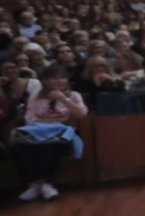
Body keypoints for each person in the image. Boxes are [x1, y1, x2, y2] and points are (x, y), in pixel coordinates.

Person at [11, 64, 88, 202]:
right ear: (45, 80)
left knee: (49, 145)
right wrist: (48, 123)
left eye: (63, 78)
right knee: (18, 145)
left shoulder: (74, 95)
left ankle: (45, 183)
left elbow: (81, 114)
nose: (60, 81)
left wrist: (63, 99)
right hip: (37, 131)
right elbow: (29, 118)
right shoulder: (36, 96)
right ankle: (36, 183)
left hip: (62, 133)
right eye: (54, 78)